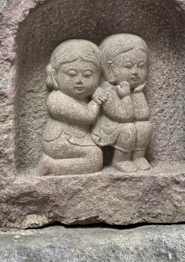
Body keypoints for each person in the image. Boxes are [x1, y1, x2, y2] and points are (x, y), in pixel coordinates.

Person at [39, 39, 109, 175]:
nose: (79, 81)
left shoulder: (82, 97)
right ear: (55, 75)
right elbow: (88, 116)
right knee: (95, 157)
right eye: (71, 74)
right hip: (61, 141)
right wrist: (96, 100)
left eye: (87, 75)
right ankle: (51, 166)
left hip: (78, 138)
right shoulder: (57, 99)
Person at [92, 34, 152, 172]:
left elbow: (143, 115)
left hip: (126, 121)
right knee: (128, 128)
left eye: (141, 66)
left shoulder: (135, 90)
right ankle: (121, 159)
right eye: (128, 66)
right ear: (110, 68)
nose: (135, 72)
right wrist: (125, 96)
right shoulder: (106, 91)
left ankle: (138, 156)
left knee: (145, 126)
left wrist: (137, 94)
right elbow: (125, 116)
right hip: (109, 127)